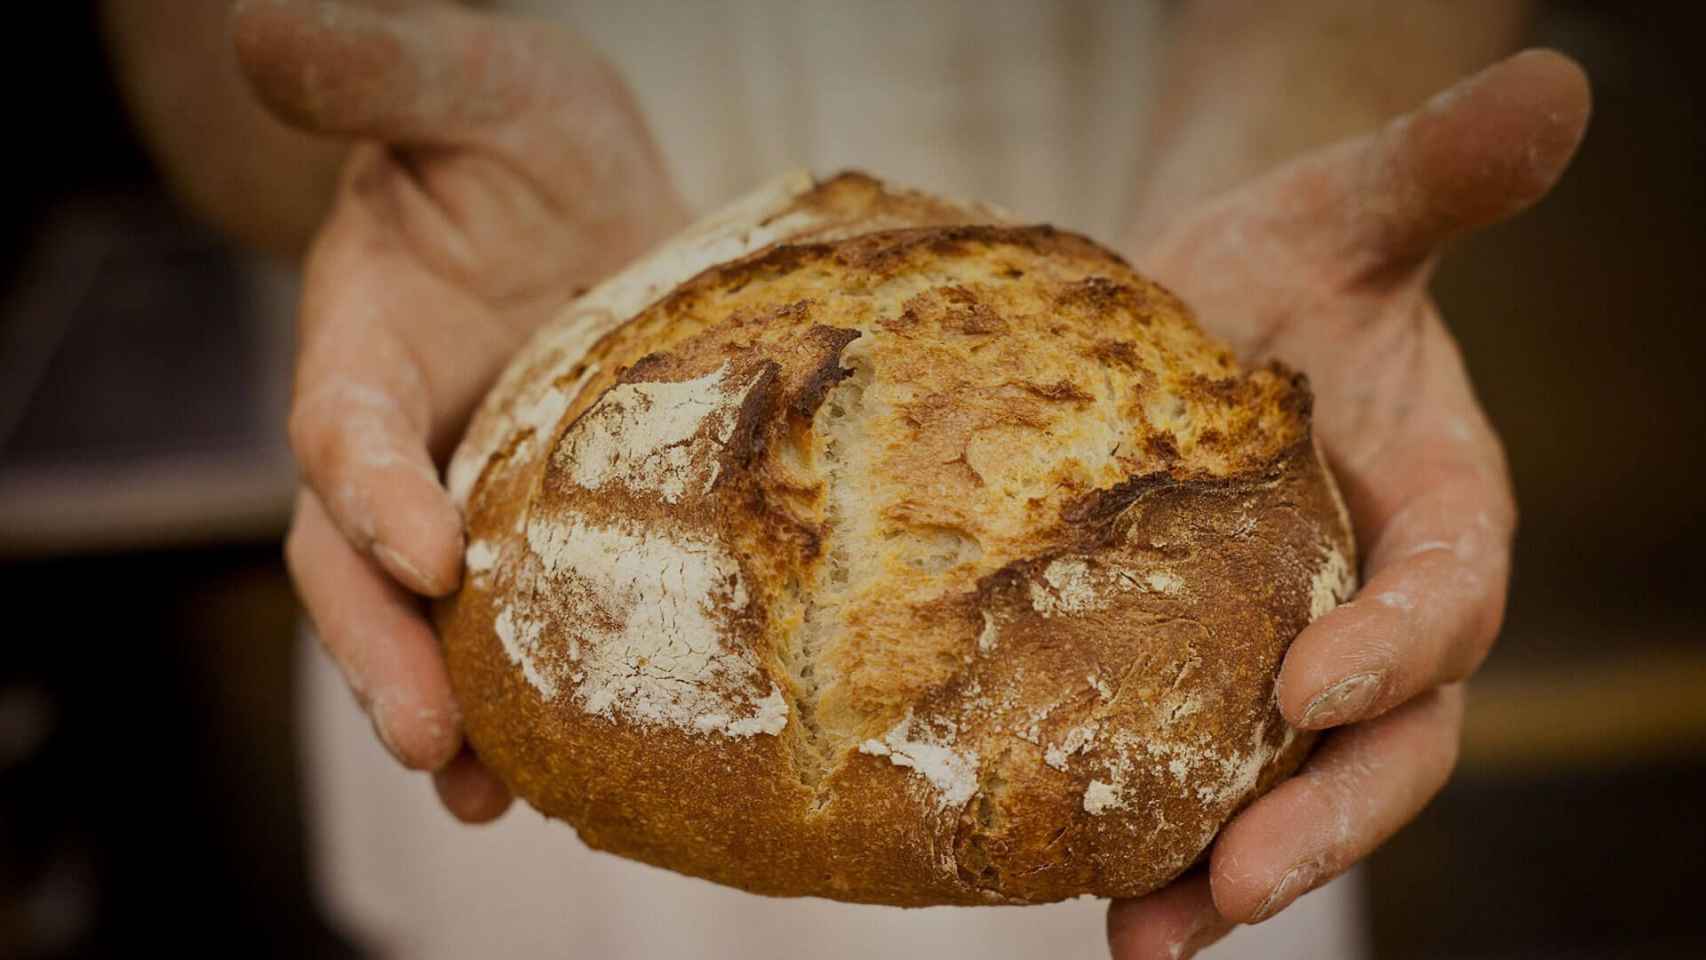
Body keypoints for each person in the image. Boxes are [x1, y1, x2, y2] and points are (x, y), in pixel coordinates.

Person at [109, 1, 1590, 956]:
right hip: (548, 472)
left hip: (1164, 684)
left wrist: (1295, 151)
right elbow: (209, 71)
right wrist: (377, 159)